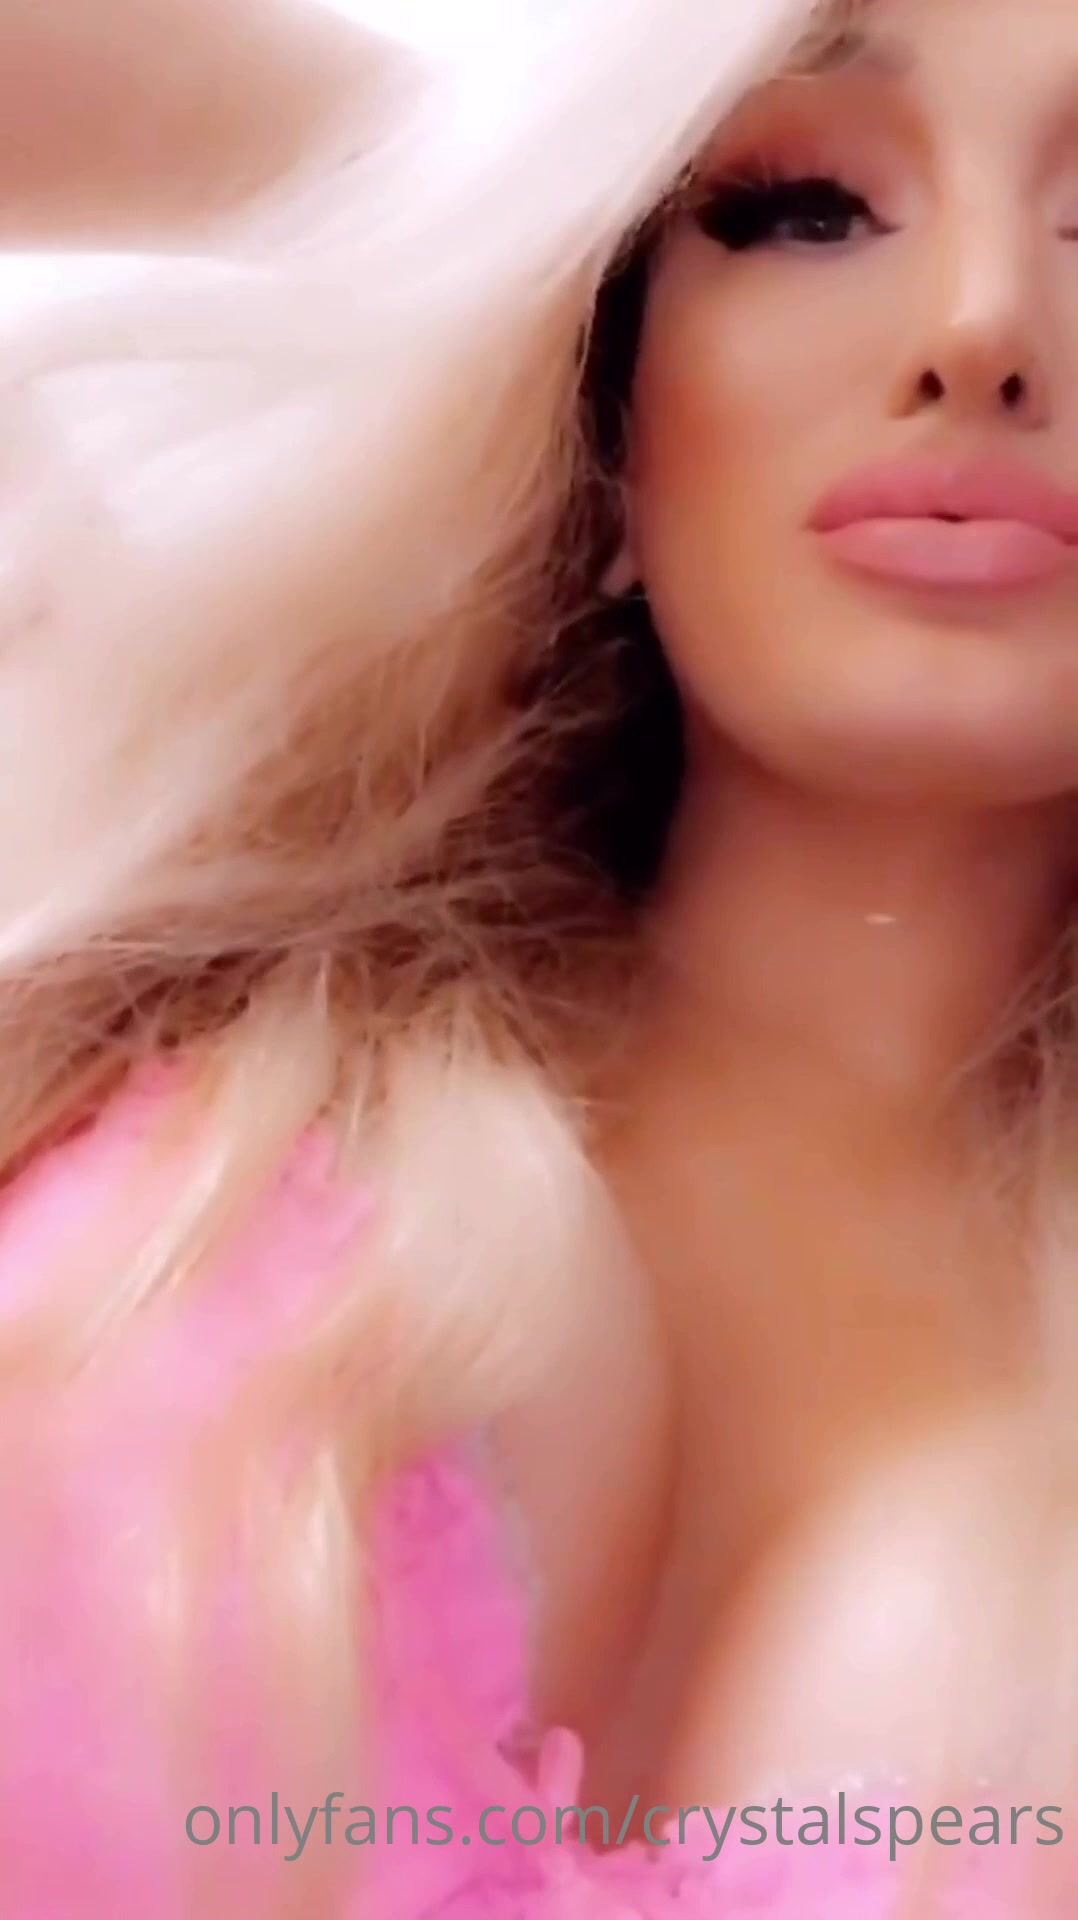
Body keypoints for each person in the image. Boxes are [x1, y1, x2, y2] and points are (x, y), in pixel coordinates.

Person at [0, 0, 1076, 1911]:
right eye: (799, 205)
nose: (979, 324)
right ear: (608, 429)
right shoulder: (184, 1005)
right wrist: (451, 176)